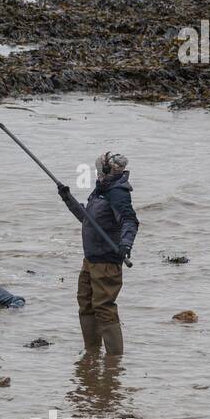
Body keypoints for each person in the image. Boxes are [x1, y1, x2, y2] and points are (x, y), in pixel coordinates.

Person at [57, 151, 138, 356]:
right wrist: (68, 199)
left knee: (104, 307)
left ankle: (114, 360)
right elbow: (87, 219)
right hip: (90, 259)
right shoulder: (101, 191)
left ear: (107, 170)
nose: (96, 173)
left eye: (99, 169)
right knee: (85, 303)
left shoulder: (117, 193)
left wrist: (126, 244)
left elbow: (130, 221)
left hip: (106, 261)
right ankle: (91, 353)